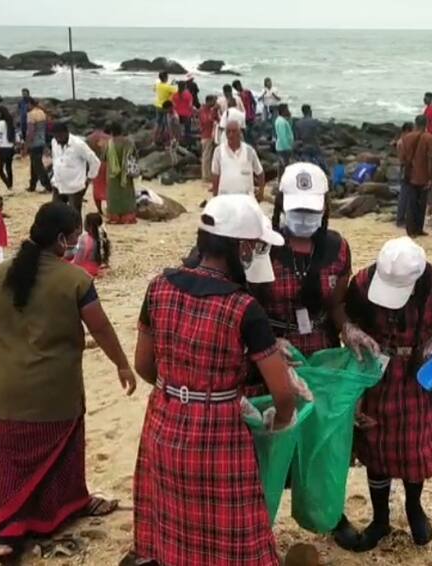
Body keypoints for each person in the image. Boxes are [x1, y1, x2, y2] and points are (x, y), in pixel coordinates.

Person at [0, 202, 135, 563]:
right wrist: (121, 364)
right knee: (65, 459)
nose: (75, 244)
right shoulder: (75, 280)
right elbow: (100, 328)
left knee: (12, 466)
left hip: (8, 396)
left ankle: (8, 533)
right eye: (72, 238)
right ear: (60, 239)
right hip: (58, 396)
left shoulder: (0, 276)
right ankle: (69, 505)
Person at [130, 195, 294, 566]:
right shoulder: (244, 308)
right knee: (234, 531)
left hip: (163, 422)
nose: (254, 254)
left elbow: (143, 365)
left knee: (175, 523)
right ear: (240, 247)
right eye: (253, 246)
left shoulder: (159, 287)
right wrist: (279, 421)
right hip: (218, 432)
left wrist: (180, 389)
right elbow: (282, 392)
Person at [246, 162, 367, 550]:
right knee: (271, 438)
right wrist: (265, 341)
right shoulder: (263, 244)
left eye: (311, 211)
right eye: (296, 210)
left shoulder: (336, 248)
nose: (303, 219)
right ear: (281, 204)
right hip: (272, 351)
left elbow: (337, 302)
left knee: (324, 438)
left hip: (321, 349)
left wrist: (348, 327)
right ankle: (257, 520)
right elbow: (246, 302)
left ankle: (327, 511)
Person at [345, 236, 432, 551]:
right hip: (375, 367)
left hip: (420, 373)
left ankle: (414, 507)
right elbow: (349, 319)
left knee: (414, 447)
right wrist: (352, 332)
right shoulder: (364, 281)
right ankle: (380, 517)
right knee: (375, 444)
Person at [51, 123, 101, 216]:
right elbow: (56, 159)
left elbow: (95, 161)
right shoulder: (54, 142)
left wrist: (89, 178)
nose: (57, 140)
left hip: (74, 186)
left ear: (66, 133)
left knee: (74, 215)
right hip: (58, 184)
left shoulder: (78, 144)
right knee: (56, 213)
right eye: (55, 137)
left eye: (59, 136)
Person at [399, 115, 432, 237]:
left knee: (411, 203)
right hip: (424, 175)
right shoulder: (429, 138)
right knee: (422, 204)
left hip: (410, 174)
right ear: (426, 124)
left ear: (415, 124)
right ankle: (419, 229)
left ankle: (411, 230)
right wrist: (431, 177)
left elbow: (403, 158)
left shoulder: (406, 138)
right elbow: (431, 159)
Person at [211, 119, 265, 198]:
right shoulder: (218, 151)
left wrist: (261, 192)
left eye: (234, 131)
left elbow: (260, 172)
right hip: (225, 198)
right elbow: (215, 174)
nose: (231, 134)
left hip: (246, 198)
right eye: (228, 132)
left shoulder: (249, 151)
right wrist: (215, 196)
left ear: (240, 133)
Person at [104, 122, 138, 224]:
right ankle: (128, 217)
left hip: (112, 174)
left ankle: (114, 217)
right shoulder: (128, 142)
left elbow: (104, 158)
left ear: (111, 132)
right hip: (126, 174)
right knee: (127, 194)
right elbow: (135, 155)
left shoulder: (109, 143)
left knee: (113, 195)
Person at [25, 98, 52, 193]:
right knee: (34, 164)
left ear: (30, 104)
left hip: (34, 143)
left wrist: (26, 145)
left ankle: (47, 186)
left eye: (27, 104)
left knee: (38, 165)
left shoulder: (31, 114)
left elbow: (30, 131)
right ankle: (32, 185)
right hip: (42, 141)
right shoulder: (41, 112)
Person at [72, 212, 110, 277]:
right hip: (95, 268)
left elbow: (77, 260)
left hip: (84, 269)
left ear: (89, 226)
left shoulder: (84, 239)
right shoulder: (101, 238)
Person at [87, 127, 112, 215]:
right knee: (108, 187)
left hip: (95, 164)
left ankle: (99, 210)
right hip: (107, 164)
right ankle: (110, 209)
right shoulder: (109, 138)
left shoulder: (90, 138)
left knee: (96, 188)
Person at [395, 122, 414, 228]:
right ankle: (400, 219)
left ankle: (402, 218)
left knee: (405, 194)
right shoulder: (403, 142)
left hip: (403, 168)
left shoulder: (401, 141)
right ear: (407, 130)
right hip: (405, 168)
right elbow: (403, 158)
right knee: (405, 195)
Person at [295, 104, 325, 170]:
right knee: (321, 162)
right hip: (315, 145)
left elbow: (297, 138)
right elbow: (319, 132)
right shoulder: (315, 121)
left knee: (307, 164)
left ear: (302, 112)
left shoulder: (298, 123)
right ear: (310, 111)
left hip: (305, 146)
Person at [0, 106, 16, 191]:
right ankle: (10, 185)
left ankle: (8, 185)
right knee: (8, 167)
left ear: (0, 113)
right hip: (10, 147)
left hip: (3, 148)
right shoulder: (10, 122)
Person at [199, 95, 218, 182]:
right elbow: (206, 120)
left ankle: (208, 174)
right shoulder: (203, 110)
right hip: (206, 135)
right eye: (213, 101)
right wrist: (214, 111)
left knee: (209, 156)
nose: (215, 103)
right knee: (206, 157)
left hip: (210, 134)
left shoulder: (208, 110)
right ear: (209, 101)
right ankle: (205, 176)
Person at [171, 81, 195, 147]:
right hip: (186, 115)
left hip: (177, 115)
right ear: (185, 87)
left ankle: (178, 141)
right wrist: (193, 115)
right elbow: (190, 106)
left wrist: (174, 113)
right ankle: (188, 143)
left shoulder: (174, 95)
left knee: (177, 129)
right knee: (187, 129)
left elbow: (173, 106)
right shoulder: (188, 95)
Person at [234, 79, 257, 144]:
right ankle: (250, 144)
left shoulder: (246, 93)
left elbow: (254, 102)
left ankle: (251, 144)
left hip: (248, 116)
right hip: (245, 116)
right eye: (236, 87)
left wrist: (254, 112)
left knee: (248, 132)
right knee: (247, 132)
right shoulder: (238, 96)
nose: (238, 88)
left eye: (238, 86)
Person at [275, 104, 295, 174]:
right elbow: (282, 136)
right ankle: (282, 181)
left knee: (282, 167)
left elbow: (290, 126)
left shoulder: (283, 120)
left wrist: (289, 118)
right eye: (287, 109)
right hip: (283, 148)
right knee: (285, 167)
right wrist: (288, 147)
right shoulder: (281, 121)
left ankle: (281, 181)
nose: (288, 111)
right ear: (283, 111)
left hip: (283, 147)